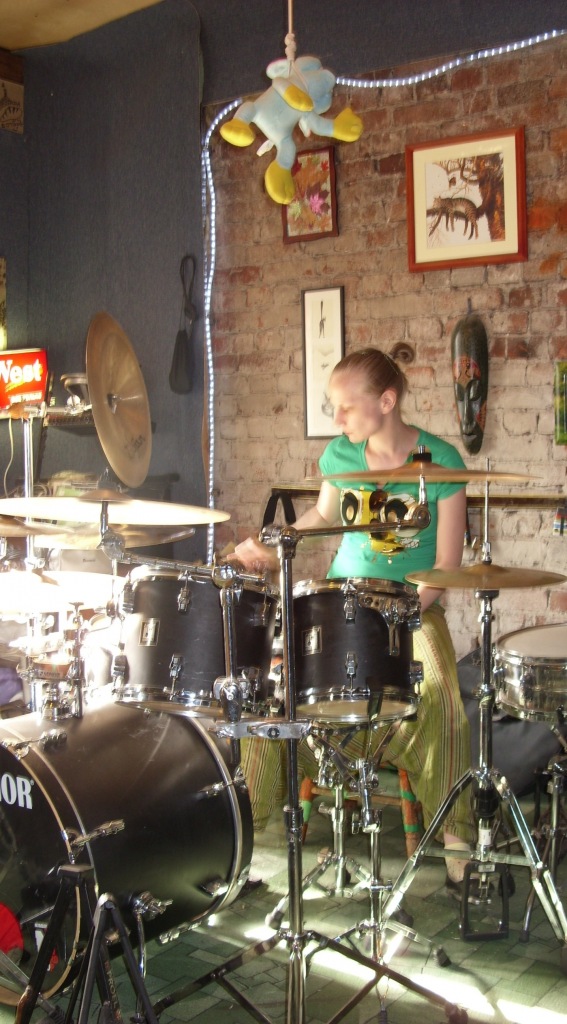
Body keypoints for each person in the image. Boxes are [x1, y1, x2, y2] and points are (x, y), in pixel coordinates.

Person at [235, 347, 476, 897]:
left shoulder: (442, 460)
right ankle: (241, 842)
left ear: (386, 402)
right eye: (334, 406)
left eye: (346, 407)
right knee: (272, 693)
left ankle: (457, 849)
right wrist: (275, 545)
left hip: (412, 607)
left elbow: (446, 565)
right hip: (340, 603)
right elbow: (323, 515)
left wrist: (403, 612)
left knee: (441, 696)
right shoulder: (341, 455)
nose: (337, 418)